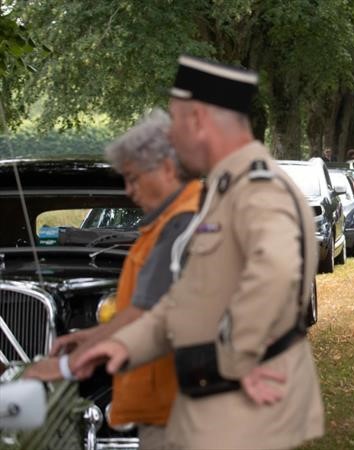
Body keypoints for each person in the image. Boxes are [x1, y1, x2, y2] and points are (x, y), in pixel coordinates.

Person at [74, 55, 324, 449]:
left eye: (174, 123)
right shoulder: (226, 189)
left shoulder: (257, 188)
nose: (170, 139)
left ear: (198, 120)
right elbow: (186, 300)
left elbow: (276, 271)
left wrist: (236, 361)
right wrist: (121, 344)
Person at [25, 109, 201, 449]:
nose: (130, 190)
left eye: (134, 178)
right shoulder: (169, 224)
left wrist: (63, 367)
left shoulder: (183, 225)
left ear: (166, 167)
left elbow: (143, 317)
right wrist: (91, 335)